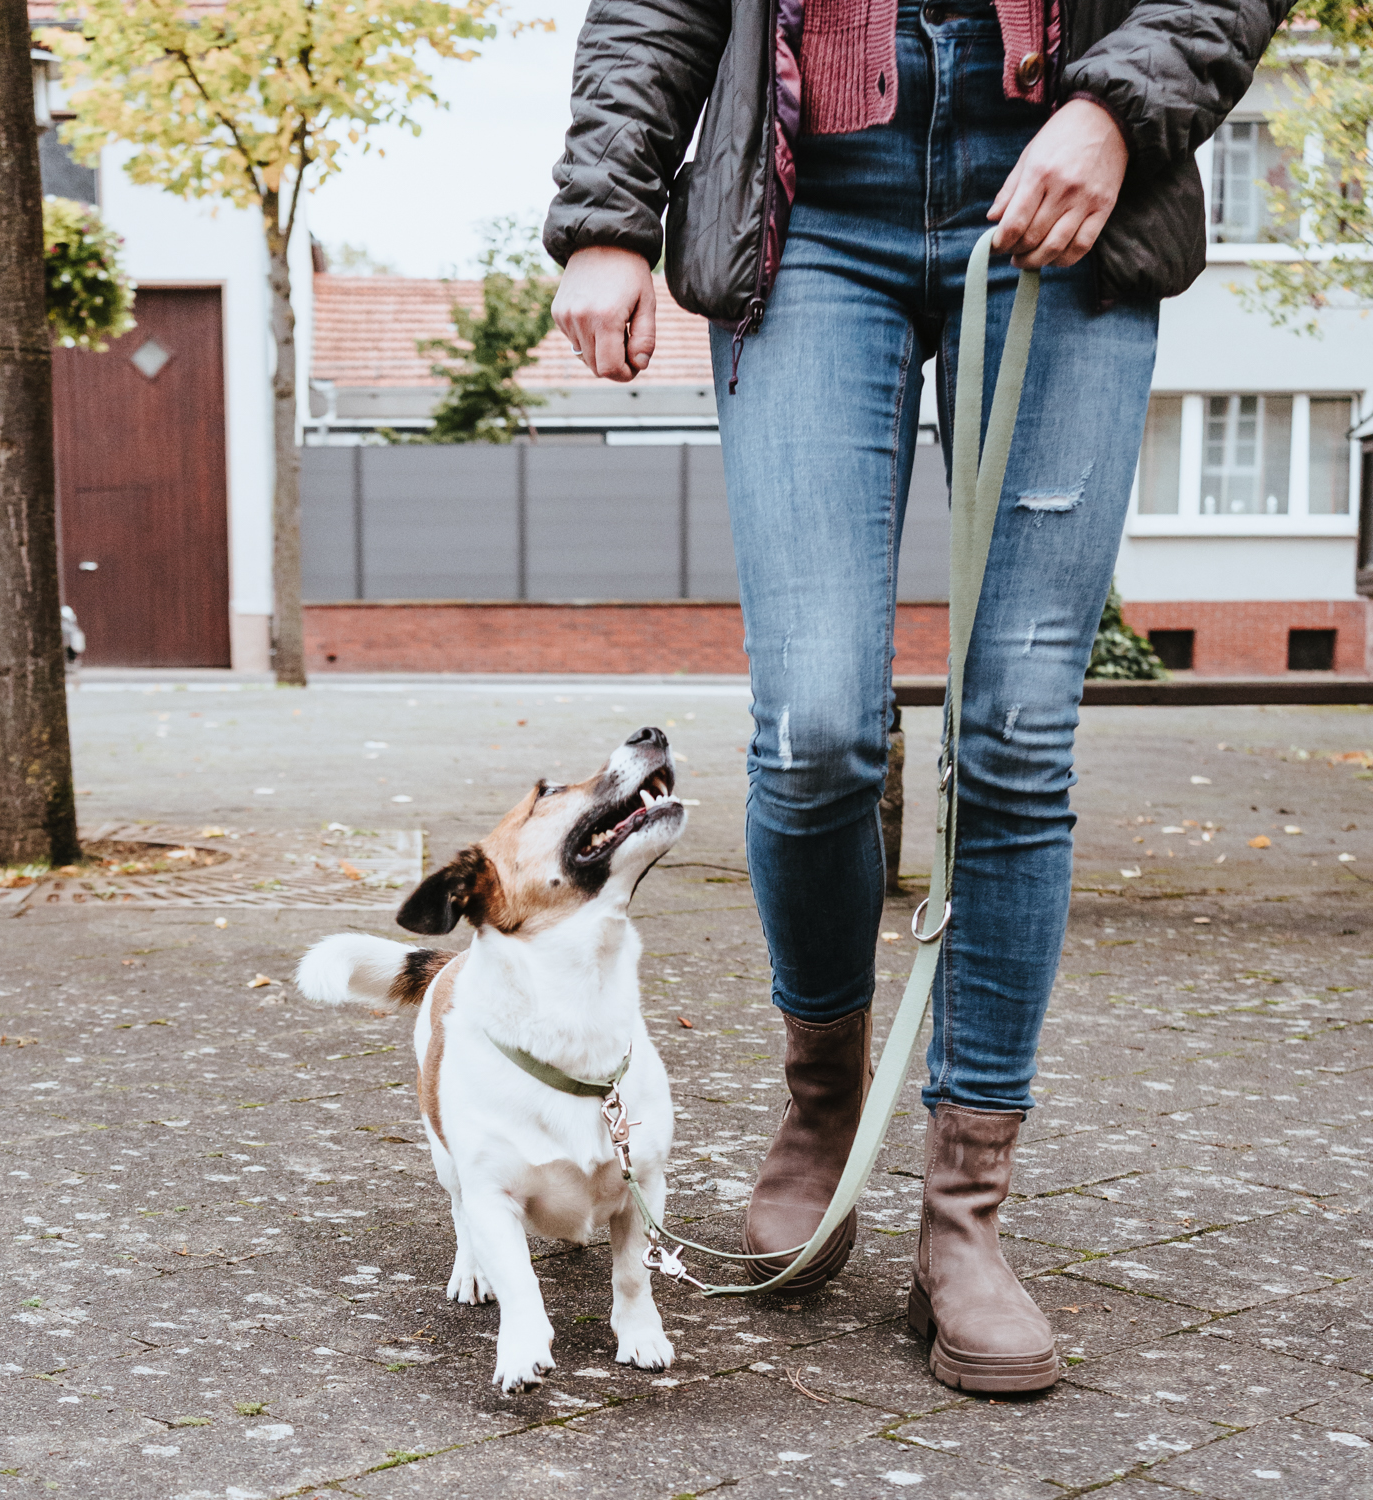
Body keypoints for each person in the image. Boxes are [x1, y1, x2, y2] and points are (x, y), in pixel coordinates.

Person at [544, 0, 1288, 1392]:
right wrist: (607, 214)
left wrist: (1118, 108)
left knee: (1015, 732)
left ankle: (964, 1211)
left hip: (1065, 179)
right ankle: (824, 1098)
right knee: (815, 729)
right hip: (813, 205)